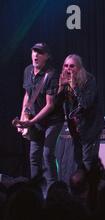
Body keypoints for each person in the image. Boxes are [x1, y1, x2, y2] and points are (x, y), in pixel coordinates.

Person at [16, 43, 64, 194]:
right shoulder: (28, 71)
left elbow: (50, 105)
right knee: (34, 156)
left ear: (47, 57)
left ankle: (53, 192)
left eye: (40, 53)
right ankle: (35, 192)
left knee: (47, 154)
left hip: (53, 121)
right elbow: (28, 95)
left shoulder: (51, 75)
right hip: (36, 121)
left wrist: (32, 121)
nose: (36, 55)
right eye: (34, 52)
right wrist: (24, 115)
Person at [55, 54, 105, 172]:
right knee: (78, 160)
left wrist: (74, 87)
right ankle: (82, 188)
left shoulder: (89, 79)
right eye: (66, 66)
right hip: (75, 129)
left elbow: (86, 103)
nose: (68, 69)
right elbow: (56, 106)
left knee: (88, 160)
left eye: (72, 66)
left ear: (79, 68)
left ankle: (91, 187)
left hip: (90, 127)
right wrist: (60, 88)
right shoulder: (64, 81)